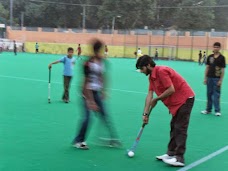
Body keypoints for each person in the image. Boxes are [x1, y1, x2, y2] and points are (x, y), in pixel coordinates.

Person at [136, 55, 195, 167]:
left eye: (142, 68)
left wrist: (157, 99)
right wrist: (145, 113)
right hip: (176, 103)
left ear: (148, 65)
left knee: (180, 128)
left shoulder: (161, 71)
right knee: (174, 126)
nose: (142, 71)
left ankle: (179, 158)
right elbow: (149, 95)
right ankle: (170, 154)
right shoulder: (151, 78)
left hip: (185, 99)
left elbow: (171, 89)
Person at [72, 39, 120, 149]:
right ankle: (78, 141)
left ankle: (112, 139)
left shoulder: (102, 62)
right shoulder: (88, 63)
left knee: (104, 114)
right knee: (87, 118)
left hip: (96, 92)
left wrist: (103, 90)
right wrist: (90, 101)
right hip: (86, 93)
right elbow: (86, 82)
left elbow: (102, 76)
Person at [201, 42, 226, 116]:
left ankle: (217, 110)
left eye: (217, 47)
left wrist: (221, 80)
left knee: (216, 95)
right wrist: (205, 78)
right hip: (209, 78)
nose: (216, 48)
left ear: (219, 48)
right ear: (213, 47)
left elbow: (222, 70)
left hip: (217, 79)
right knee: (209, 94)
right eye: (215, 47)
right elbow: (207, 67)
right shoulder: (210, 57)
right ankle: (208, 110)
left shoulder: (222, 58)